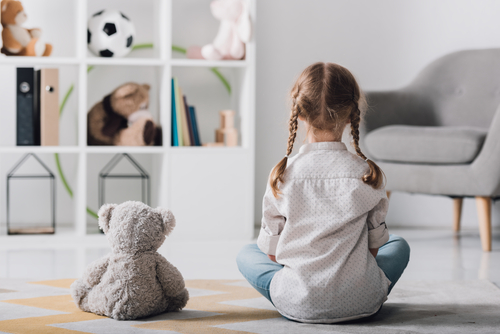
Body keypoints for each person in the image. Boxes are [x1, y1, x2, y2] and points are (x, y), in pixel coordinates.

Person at [236, 62, 410, 323]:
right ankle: (360, 291)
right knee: (399, 245)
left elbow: (272, 254)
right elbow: (374, 248)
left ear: (300, 113)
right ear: (352, 113)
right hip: (362, 300)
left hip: (299, 302)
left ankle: (302, 294)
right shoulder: (367, 173)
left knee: (247, 254)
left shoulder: (282, 174)